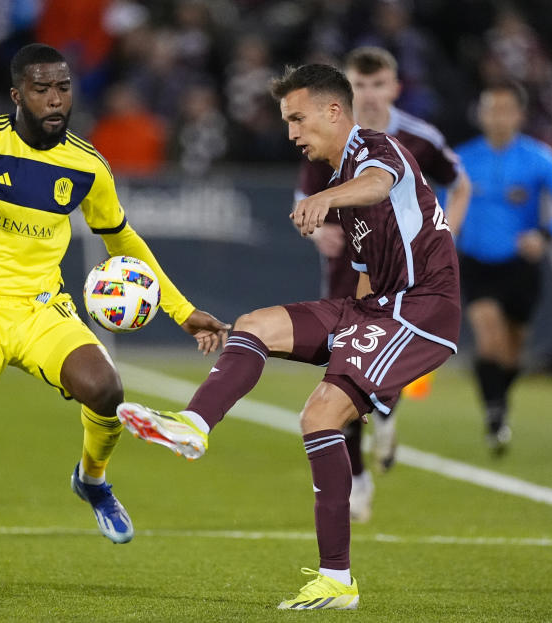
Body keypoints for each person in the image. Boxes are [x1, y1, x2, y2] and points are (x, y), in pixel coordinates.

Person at [0, 43, 229, 592]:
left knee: (106, 389)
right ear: (17, 95)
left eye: (63, 87)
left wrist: (181, 312)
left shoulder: (87, 166)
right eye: (41, 89)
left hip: (42, 310)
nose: (55, 98)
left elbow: (122, 239)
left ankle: (92, 481)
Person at [117, 63, 460, 610]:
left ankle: (337, 580)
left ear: (333, 111)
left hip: (421, 312)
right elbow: (368, 271)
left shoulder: (378, 151)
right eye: (286, 121)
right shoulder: (339, 180)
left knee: (319, 415)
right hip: (375, 307)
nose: (292, 133)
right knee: (253, 326)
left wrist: (328, 200)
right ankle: (194, 425)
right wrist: (357, 343)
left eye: (298, 119)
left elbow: (379, 182)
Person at [297, 46, 471, 522]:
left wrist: (445, 231)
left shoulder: (418, 136)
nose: (370, 94)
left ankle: (388, 412)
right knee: (341, 371)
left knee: (373, 374)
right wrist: (319, 231)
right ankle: (357, 478)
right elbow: (305, 194)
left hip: (410, 280)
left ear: (395, 88)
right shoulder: (332, 136)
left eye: (379, 85)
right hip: (350, 273)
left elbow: (460, 181)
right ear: (346, 91)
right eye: (361, 84)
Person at [455, 80, 552, 454]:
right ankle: (495, 418)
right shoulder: (462, 159)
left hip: (521, 266)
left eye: (504, 110)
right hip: (477, 262)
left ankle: (498, 400)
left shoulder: (537, 158)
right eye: (490, 109)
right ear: (480, 114)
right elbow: (441, 206)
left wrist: (546, 233)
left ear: (519, 115)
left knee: (512, 352)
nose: (496, 117)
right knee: (489, 335)